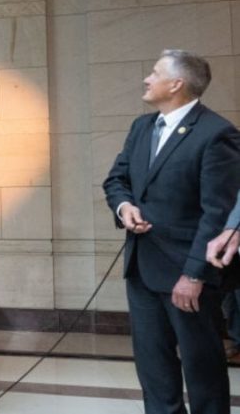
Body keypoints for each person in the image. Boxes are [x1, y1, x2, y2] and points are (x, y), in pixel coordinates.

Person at [103, 49, 240, 414]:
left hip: (188, 274)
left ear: (177, 83)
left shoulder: (217, 133)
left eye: (154, 72)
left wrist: (194, 274)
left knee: (202, 369)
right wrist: (125, 207)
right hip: (142, 269)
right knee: (154, 369)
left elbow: (218, 213)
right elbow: (116, 180)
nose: (147, 79)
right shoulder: (141, 127)